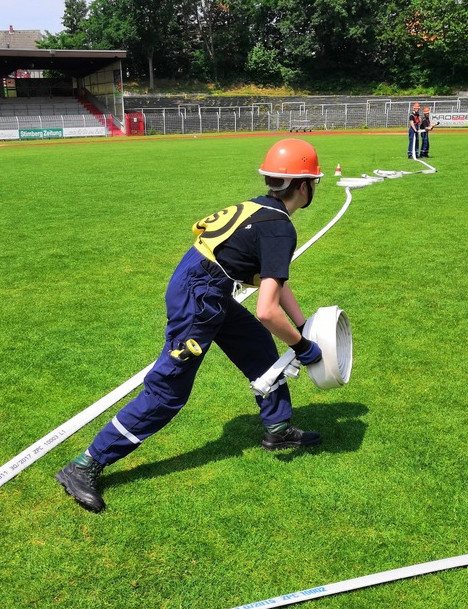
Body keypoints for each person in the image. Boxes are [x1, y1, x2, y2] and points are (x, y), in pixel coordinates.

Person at [55, 138, 326, 513]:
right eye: (315, 181)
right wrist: (301, 346)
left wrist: (302, 322)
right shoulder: (280, 228)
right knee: (167, 392)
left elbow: (275, 281)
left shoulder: (259, 208)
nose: (315, 187)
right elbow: (267, 309)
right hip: (200, 297)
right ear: (303, 185)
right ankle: (85, 464)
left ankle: (278, 430)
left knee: (260, 350)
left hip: (202, 285)